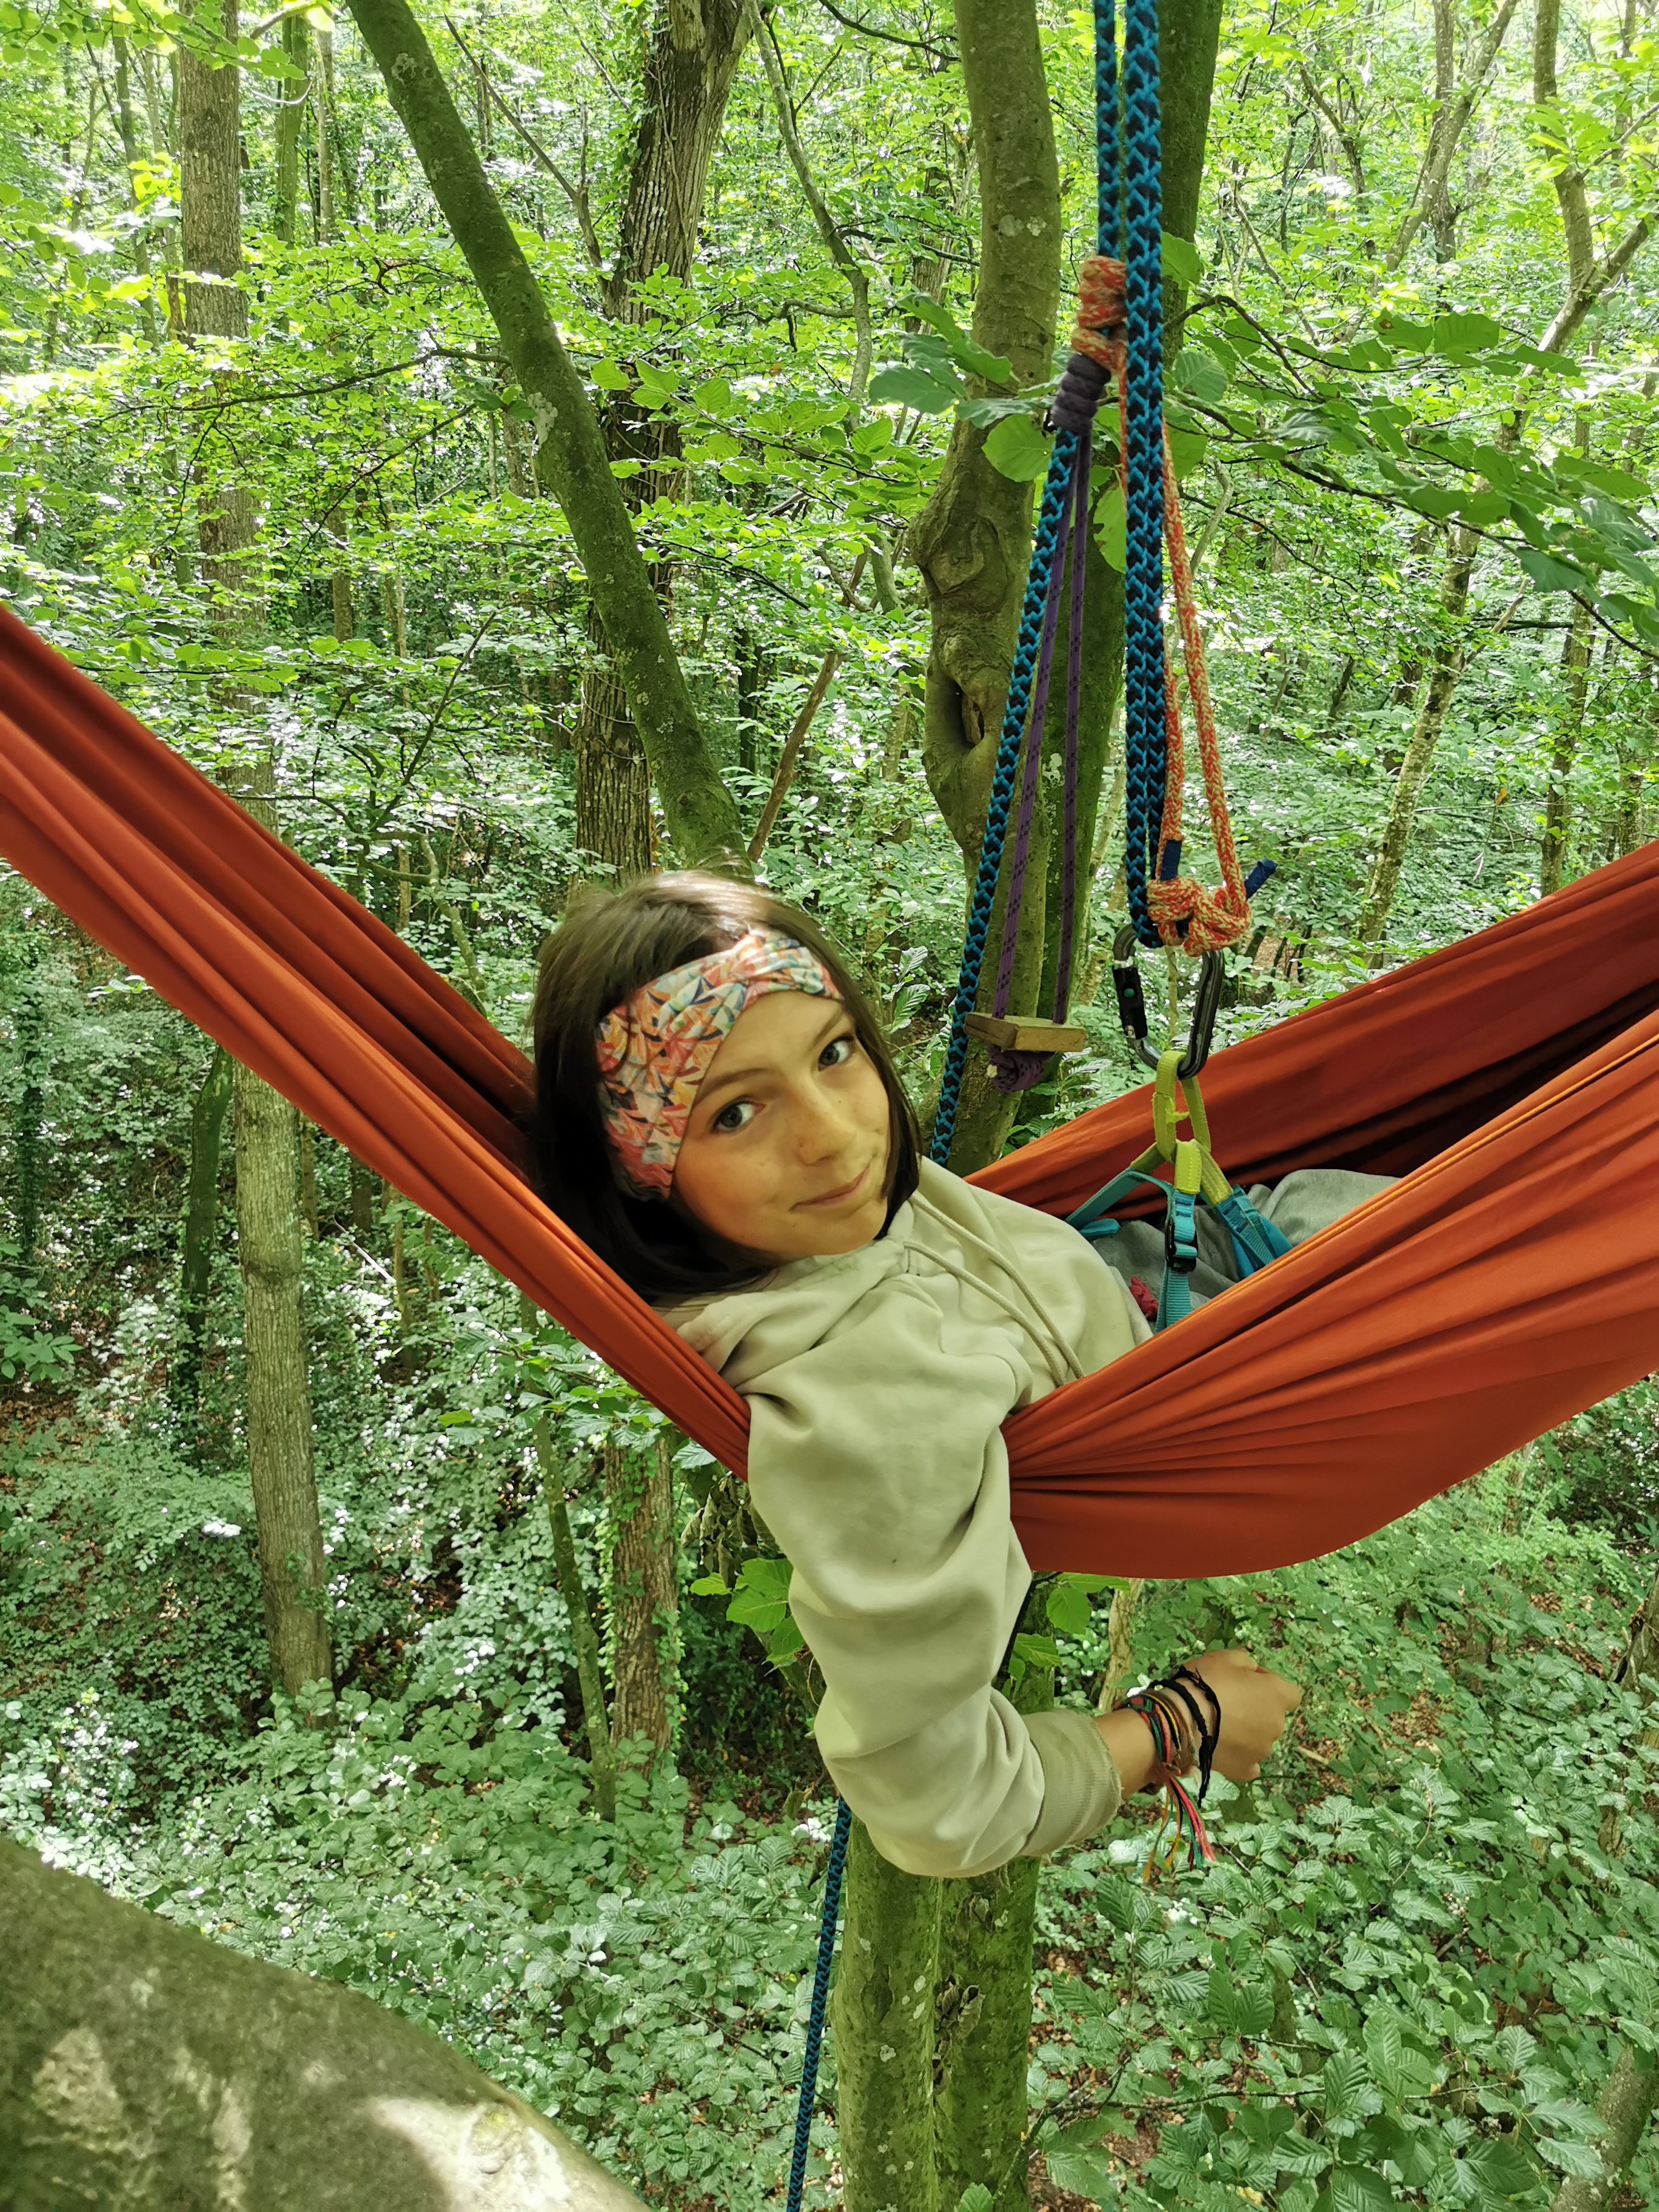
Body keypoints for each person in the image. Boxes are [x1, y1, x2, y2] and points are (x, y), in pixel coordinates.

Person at [530, 871, 1349, 1880]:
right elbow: (943, 1804)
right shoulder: (859, 1404)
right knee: (1581, 1210)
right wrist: (1179, 1723)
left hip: (1201, 1256)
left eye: (835, 1053)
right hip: (1251, 1349)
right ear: (643, 1173)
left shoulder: (808, 1224)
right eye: (735, 1114)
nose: (832, 1135)